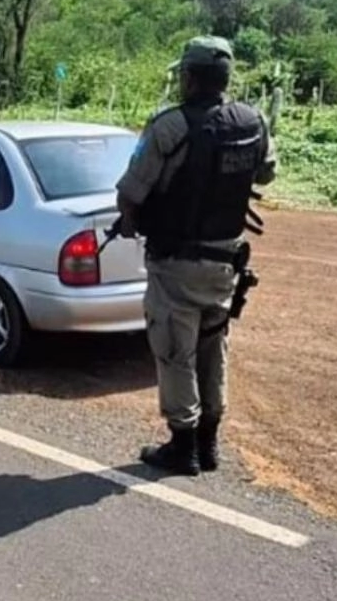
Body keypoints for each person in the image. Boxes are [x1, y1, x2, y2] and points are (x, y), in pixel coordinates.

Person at [114, 36, 278, 477]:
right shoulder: (252, 121)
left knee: (174, 350)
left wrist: (131, 220)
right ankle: (209, 445)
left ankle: (182, 445)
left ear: (189, 77)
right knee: (213, 348)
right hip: (225, 263)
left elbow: (130, 191)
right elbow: (265, 171)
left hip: (176, 263)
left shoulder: (168, 127)